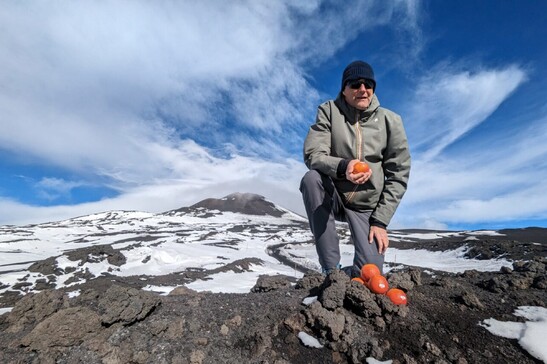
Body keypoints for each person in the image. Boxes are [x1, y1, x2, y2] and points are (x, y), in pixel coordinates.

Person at [300, 60, 411, 277]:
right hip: (335, 196)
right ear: (344, 88)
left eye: (368, 84)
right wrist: (343, 166)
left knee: (369, 275)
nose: (363, 89)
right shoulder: (329, 111)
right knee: (311, 179)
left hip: (367, 207)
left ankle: (351, 275)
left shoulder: (391, 121)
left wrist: (380, 221)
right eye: (355, 84)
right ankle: (331, 271)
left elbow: (399, 174)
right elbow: (314, 155)